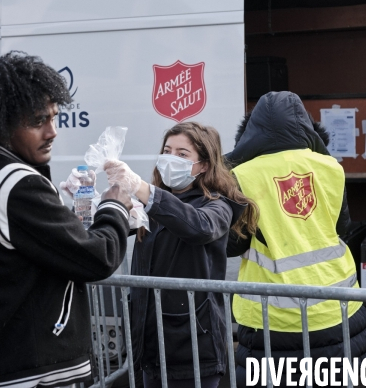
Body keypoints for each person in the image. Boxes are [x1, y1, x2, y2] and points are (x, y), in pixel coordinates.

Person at [0, 52, 132, 388]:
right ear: (0, 123)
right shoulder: (15, 184)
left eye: (54, 118)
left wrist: (68, 215)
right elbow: (97, 258)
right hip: (34, 372)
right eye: (38, 120)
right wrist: (113, 207)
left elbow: (25, 254)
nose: (52, 131)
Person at [225, 91, 366, 387]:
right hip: (340, 306)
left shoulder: (241, 175)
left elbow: (233, 245)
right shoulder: (330, 166)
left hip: (273, 320)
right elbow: (341, 227)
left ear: (253, 130)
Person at [101, 121, 258, 388]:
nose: (171, 158)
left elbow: (199, 226)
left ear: (204, 165)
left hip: (194, 347)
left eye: (182, 154)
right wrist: (95, 206)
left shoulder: (217, 205)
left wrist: (142, 189)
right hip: (151, 345)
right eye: (167, 150)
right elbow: (103, 232)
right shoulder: (153, 204)